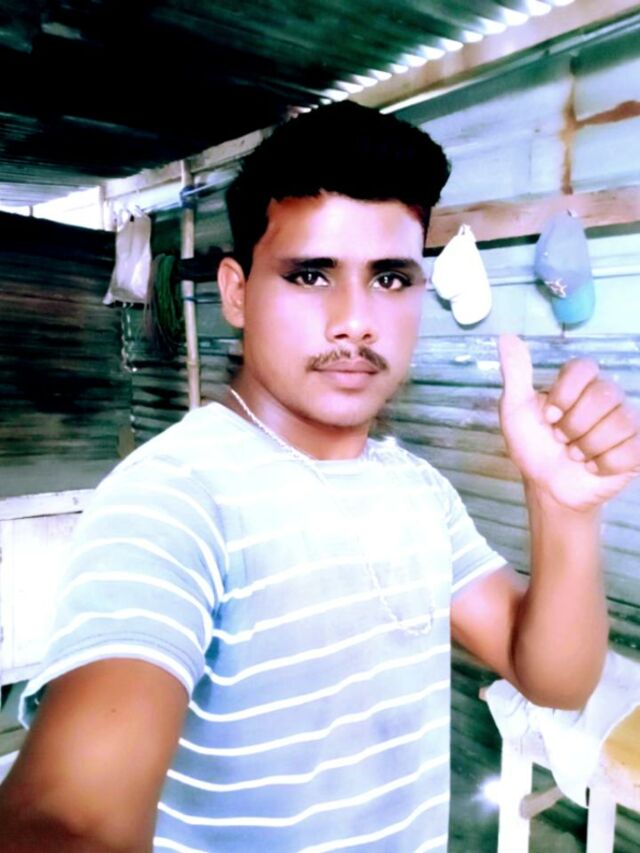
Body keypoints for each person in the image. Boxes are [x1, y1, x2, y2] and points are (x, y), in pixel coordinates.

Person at [1, 101, 639, 853]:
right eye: (310, 274)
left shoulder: (416, 489)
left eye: (390, 278)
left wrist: (563, 509)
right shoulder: (177, 494)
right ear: (236, 292)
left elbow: (556, 679)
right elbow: (71, 817)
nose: (355, 320)